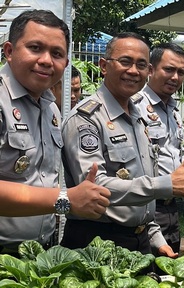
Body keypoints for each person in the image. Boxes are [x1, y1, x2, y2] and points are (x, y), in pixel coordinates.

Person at [61, 32, 184, 257]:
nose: (134, 71)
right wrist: (167, 184)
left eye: (141, 65)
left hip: (139, 240)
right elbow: (95, 188)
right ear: (104, 66)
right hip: (97, 242)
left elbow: (139, 189)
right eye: (125, 62)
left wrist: (155, 237)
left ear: (148, 71)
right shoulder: (86, 118)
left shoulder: (138, 118)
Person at [0, 9, 111, 255]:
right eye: (35, 48)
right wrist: (65, 199)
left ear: (66, 63)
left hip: (41, 251)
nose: (47, 60)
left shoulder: (50, 106)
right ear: (9, 51)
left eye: (57, 53)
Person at [132, 43, 184, 255]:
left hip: (172, 208)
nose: (175, 77)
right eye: (169, 69)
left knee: (169, 269)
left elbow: (174, 154)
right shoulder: (134, 106)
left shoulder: (173, 110)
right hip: (147, 204)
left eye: (181, 72)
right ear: (151, 70)